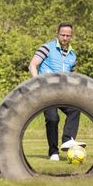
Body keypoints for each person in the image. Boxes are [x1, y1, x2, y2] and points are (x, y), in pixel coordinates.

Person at [29, 22, 86, 161]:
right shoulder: (46, 48)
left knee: (75, 109)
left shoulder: (72, 55)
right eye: (62, 35)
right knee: (52, 119)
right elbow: (32, 65)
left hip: (63, 92)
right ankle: (53, 152)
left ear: (71, 36)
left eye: (68, 35)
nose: (65, 38)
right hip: (46, 91)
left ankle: (67, 140)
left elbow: (71, 76)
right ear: (57, 34)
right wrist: (38, 83)